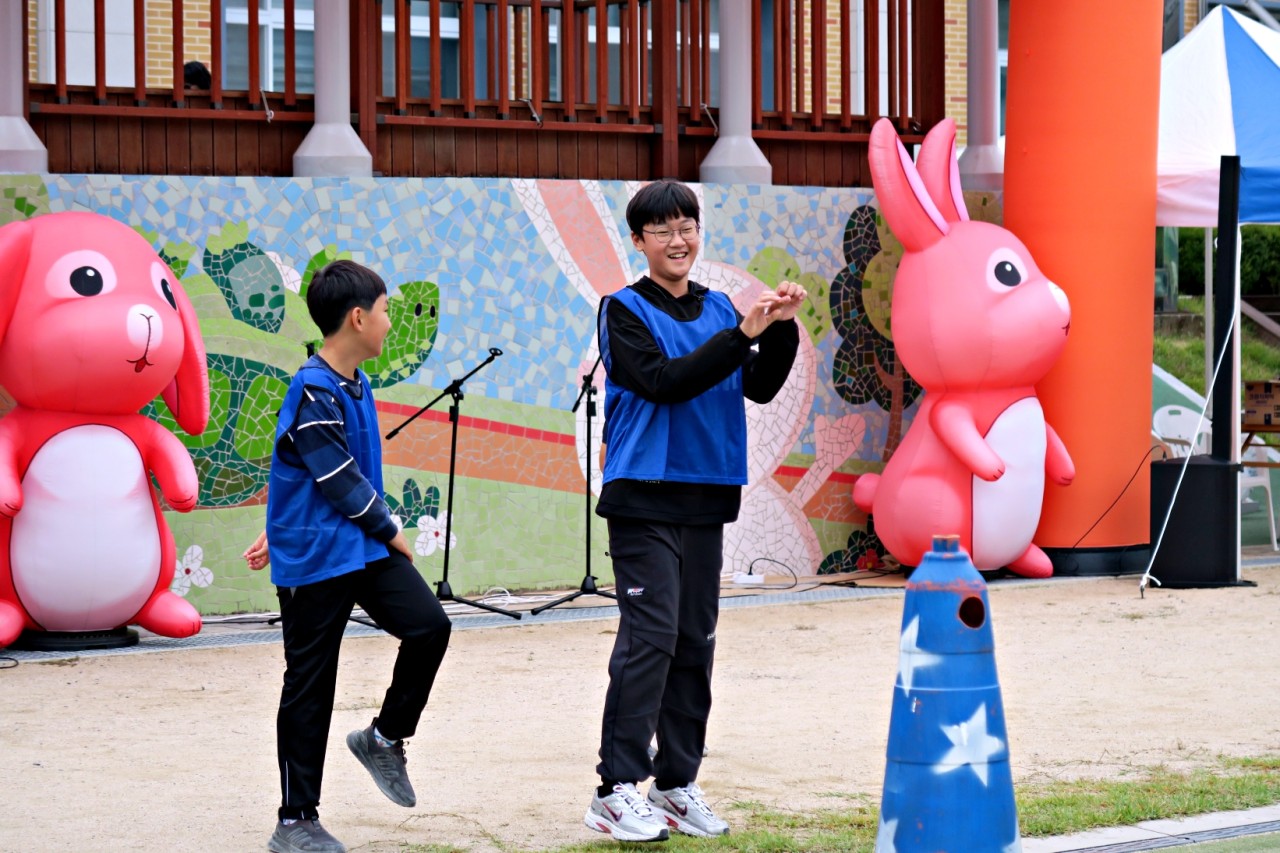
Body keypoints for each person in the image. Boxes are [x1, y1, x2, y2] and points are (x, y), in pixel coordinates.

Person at [584, 180, 805, 842]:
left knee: (693, 643)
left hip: (707, 496)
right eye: (663, 230)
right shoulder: (621, 310)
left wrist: (782, 329)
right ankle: (616, 788)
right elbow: (664, 382)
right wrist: (744, 333)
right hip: (644, 495)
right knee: (650, 637)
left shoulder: (718, 311)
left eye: (688, 226)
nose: (679, 239)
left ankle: (676, 783)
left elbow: (760, 385)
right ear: (639, 241)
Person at [242, 260, 452, 853]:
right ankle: (295, 821)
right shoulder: (313, 385)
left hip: (355, 544)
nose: (389, 321)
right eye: (386, 310)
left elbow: (309, 468)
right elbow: (336, 479)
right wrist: (393, 531)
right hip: (318, 555)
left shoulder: (356, 383)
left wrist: (275, 523)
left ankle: (384, 738)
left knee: (430, 626)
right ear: (358, 318)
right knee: (311, 684)